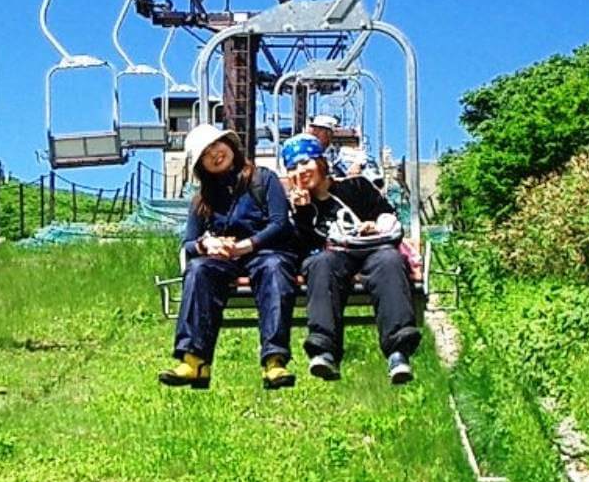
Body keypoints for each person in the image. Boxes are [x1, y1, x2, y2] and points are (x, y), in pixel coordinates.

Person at [159, 123, 300, 390]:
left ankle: (275, 359)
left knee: (273, 267)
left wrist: (247, 245)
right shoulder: (202, 200)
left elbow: (280, 223)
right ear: (201, 166)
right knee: (199, 270)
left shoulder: (263, 179)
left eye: (217, 145)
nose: (215, 154)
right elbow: (188, 243)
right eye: (206, 154)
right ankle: (194, 359)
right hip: (225, 260)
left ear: (230, 144)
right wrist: (207, 245)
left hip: (265, 251)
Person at [282, 134, 420, 384]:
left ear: (321, 162)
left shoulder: (356, 187)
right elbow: (301, 250)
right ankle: (324, 349)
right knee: (320, 264)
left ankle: (398, 350)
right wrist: (301, 214)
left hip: (372, 249)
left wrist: (374, 225)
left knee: (388, 261)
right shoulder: (295, 207)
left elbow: (387, 216)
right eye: (292, 167)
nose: (300, 171)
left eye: (306, 162)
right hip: (333, 257)